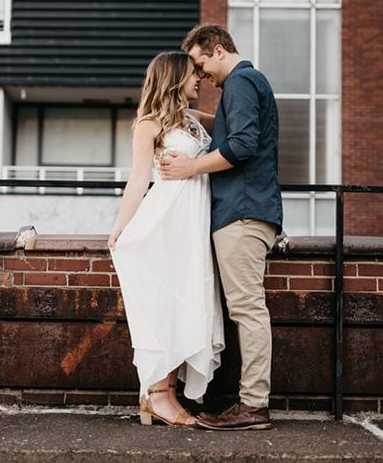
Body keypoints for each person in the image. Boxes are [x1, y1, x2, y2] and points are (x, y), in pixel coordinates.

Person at [159, 23, 283, 431]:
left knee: (247, 310)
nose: (199, 76)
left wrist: (190, 167)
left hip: (243, 214)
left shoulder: (242, 81)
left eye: (199, 64)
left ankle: (254, 408)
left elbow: (243, 144)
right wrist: (193, 116)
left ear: (216, 50)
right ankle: (250, 405)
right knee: (245, 309)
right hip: (247, 212)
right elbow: (236, 130)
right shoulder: (246, 85)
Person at [108, 51, 224, 427]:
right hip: (166, 222)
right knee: (165, 303)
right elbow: (139, 179)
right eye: (193, 74)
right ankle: (158, 395)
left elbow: (230, 125)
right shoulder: (149, 123)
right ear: (175, 77)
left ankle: (166, 395)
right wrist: (120, 228)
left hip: (192, 224)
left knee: (186, 300)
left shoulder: (191, 119)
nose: (199, 80)